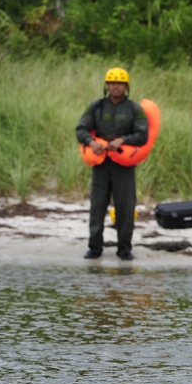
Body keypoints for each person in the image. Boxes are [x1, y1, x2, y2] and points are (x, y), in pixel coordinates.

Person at [75, 67, 149, 260]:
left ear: (126, 86)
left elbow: (143, 135)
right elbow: (81, 129)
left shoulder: (134, 109)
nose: (116, 87)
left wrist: (122, 140)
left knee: (125, 207)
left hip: (123, 167)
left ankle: (124, 249)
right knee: (97, 206)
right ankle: (95, 248)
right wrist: (92, 143)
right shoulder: (96, 106)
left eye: (120, 83)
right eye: (112, 83)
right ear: (106, 85)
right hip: (101, 165)